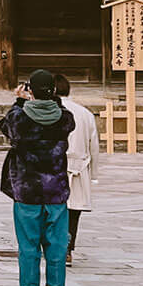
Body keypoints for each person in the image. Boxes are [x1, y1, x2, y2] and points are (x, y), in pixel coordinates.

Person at [0, 69, 75, 286]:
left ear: (30, 89)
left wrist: (20, 101)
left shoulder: (20, 118)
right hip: (56, 191)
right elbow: (63, 114)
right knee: (56, 247)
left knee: (29, 246)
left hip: (28, 191)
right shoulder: (64, 118)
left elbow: (6, 124)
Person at [53, 72, 99, 262]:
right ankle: (68, 249)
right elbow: (94, 146)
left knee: (53, 210)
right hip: (79, 166)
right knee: (73, 212)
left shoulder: (51, 110)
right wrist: (94, 173)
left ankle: (53, 246)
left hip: (55, 165)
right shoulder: (85, 113)